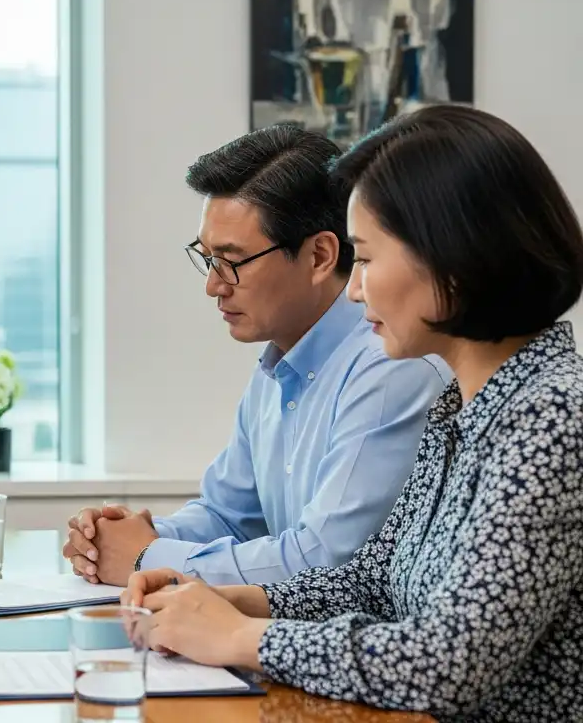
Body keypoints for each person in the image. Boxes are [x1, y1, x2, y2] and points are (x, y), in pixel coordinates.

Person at [125, 106, 583, 721]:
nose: (356, 287)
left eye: (365, 258)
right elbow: (371, 580)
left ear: (454, 259)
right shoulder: (463, 408)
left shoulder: (552, 417)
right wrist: (226, 599)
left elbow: (447, 664)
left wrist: (242, 637)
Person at [64, 125, 449, 586]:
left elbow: (325, 563)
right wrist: (119, 539)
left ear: (320, 255)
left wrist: (146, 556)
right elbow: (228, 515)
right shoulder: (277, 366)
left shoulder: (391, 366)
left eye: (232, 261)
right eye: (207, 258)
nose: (213, 285)